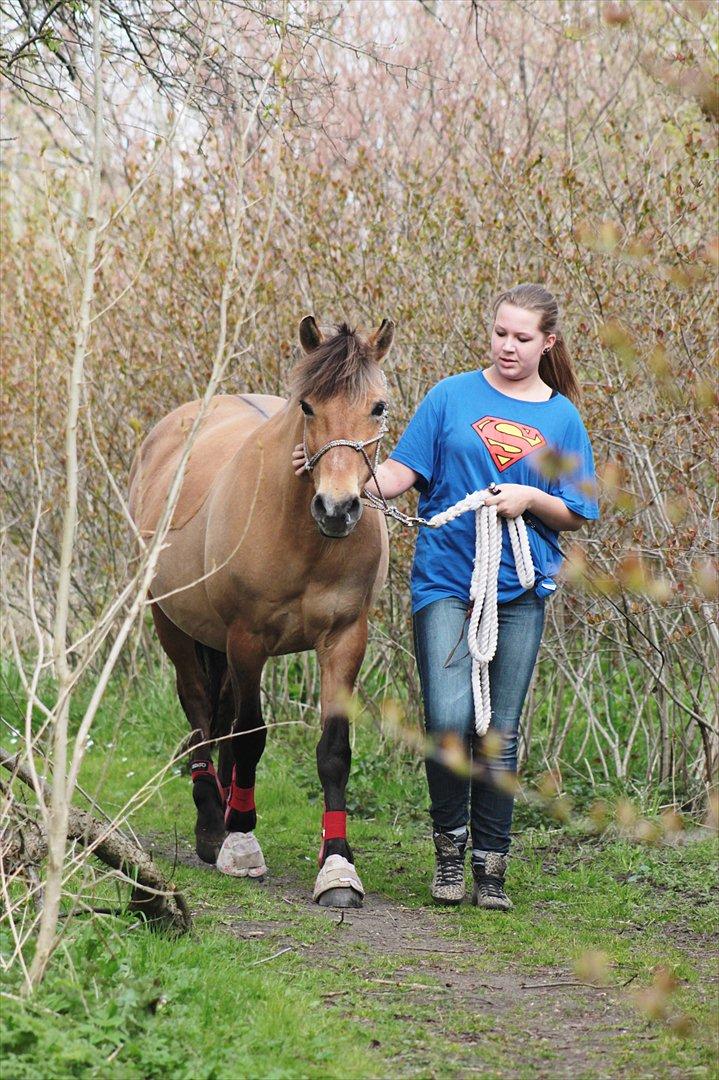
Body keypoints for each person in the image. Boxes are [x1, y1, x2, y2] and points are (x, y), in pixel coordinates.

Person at [293, 283, 599, 910]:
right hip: (446, 581)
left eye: (522, 337)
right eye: (500, 333)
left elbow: (578, 509)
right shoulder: (449, 398)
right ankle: (450, 854)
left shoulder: (561, 418)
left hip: (518, 584)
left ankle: (491, 866)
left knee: (501, 732)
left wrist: (530, 499)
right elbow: (404, 474)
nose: (507, 346)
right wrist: (344, 473)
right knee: (451, 720)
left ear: (548, 343)